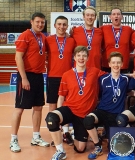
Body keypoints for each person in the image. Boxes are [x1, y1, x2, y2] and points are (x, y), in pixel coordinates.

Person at [45, 46, 106, 160]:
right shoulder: (67, 75)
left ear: (87, 58)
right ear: (74, 57)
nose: (81, 58)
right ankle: (60, 151)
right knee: (51, 118)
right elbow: (61, 96)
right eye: (78, 55)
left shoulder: (95, 71)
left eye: (84, 55)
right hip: (70, 109)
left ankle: (78, 135)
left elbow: (113, 75)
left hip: (84, 114)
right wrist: (60, 116)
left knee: (80, 149)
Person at [10, 12, 50, 153]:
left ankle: (36, 136)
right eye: (38, 22)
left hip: (39, 76)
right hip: (26, 76)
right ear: (31, 22)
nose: (40, 24)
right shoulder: (25, 35)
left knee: (38, 107)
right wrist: (24, 77)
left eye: (42, 22)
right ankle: (13, 139)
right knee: (19, 108)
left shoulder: (42, 37)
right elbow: (18, 57)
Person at [83, 52, 129, 159]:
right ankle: (97, 146)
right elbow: (99, 95)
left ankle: (108, 135)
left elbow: (132, 92)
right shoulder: (103, 79)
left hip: (116, 115)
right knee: (88, 120)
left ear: (122, 64)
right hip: (102, 111)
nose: (116, 65)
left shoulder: (126, 79)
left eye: (118, 62)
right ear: (109, 64)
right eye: (113, 62)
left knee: (112, 148)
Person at [46, 15, 76, 146]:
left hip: (68, 77)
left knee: (66, 105)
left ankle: (65, 133)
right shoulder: (48, 40)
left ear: (67, 26)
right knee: (53, 106)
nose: (62, 27)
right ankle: (55, 135)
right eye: (59, 24)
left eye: (64, 24)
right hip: (53, 77)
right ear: (55, 25)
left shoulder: (72, 41)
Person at [101, 7, 134, 73]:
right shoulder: (103, 29)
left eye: (118, 14)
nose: (116, 16)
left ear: (122, 17)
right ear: (110, 17)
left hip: (123, 65)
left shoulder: (128, 30)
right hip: (107, 65)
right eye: (114, 14)